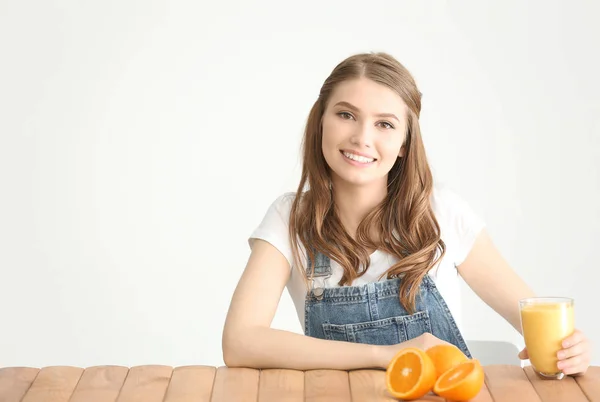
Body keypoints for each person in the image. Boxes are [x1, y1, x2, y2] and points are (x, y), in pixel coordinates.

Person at [221, 52, 591, 374]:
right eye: (346, 115)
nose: (362, 137)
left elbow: (539, 324)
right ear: (321, 121)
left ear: (403, 144)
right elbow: (239, 342)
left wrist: (569, 350)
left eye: (385, 124)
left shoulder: (441, 212)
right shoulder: (290, 218)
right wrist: (387, 355)